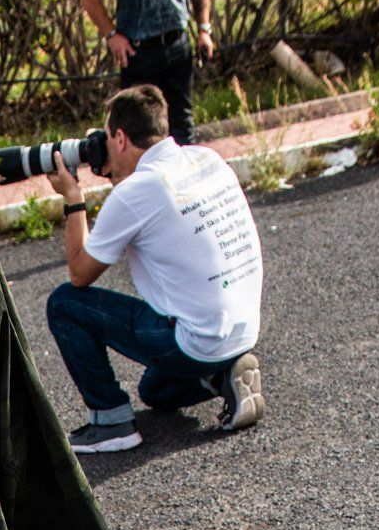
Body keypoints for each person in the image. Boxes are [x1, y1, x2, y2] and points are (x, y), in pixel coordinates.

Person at [44, 83, 264, 453]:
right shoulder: (206, 158)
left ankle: (110, 421)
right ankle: (224, 374)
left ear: (120, 137)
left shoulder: (135, 192)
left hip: (195, 340)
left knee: (65, 304)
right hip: (242, 330)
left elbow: (80, 273)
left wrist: (73, 198)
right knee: (155, 391)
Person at [81, 0, 212, 146]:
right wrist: (112, 35)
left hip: (178, 44)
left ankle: (182, 180)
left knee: (182, 128)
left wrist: (203, 30)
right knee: (143, 134)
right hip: (139, 52)